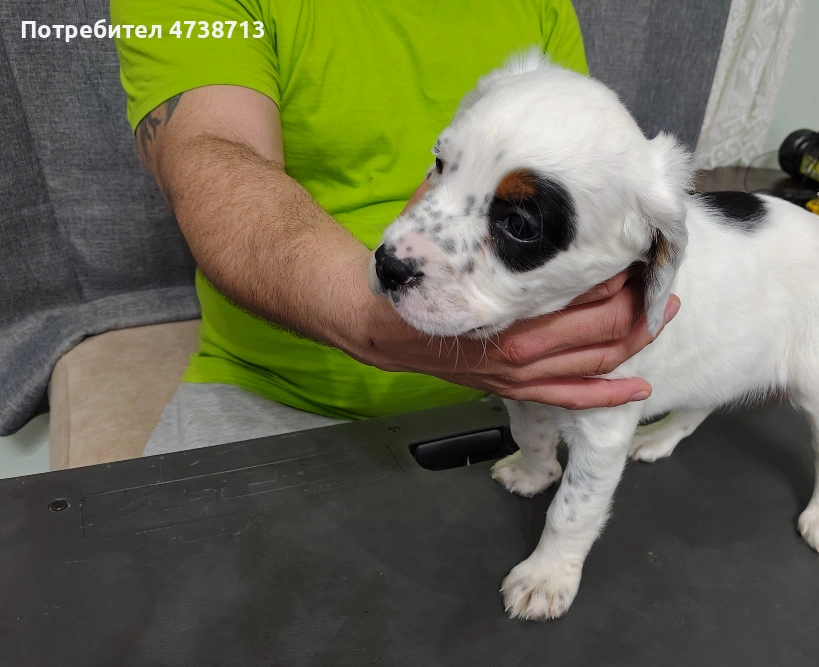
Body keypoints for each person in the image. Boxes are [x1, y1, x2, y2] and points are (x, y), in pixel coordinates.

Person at [111, 0, 679, 454]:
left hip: (525, 398)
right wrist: (364, 315)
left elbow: (580, 188)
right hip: (280, 396)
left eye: (516, 222)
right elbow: (211, 158)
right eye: (441, 162)